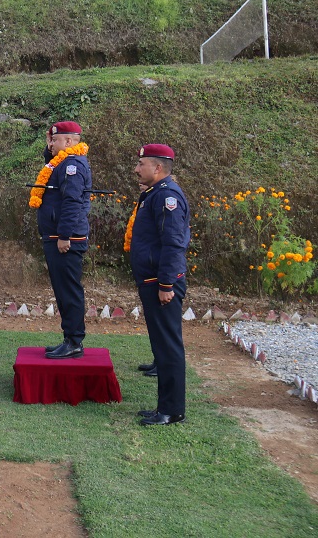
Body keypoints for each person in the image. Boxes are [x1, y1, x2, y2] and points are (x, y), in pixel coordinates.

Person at [131, 144, 190, 426]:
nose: (136, 169)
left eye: (141, 163)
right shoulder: (154, 193)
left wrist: (166, 284)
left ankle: (172, 410)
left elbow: (173, 243)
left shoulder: (167, 196)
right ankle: (165, 406)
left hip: (162, 282)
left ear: (157, 168)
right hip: (154, 280)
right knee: (162, 345)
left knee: (168, 347)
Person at [30, 121, 92, 359]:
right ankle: (69, 338)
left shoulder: (72, 165)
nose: (51, 143)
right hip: (57, 236)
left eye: (55, 140)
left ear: (68, 142)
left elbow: (72, 202)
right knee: (62, 289)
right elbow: (49, 163)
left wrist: (64, 235)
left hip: (65, 239)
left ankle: (74, 341)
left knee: (69, 290)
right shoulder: (61, 163)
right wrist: (49, 148)